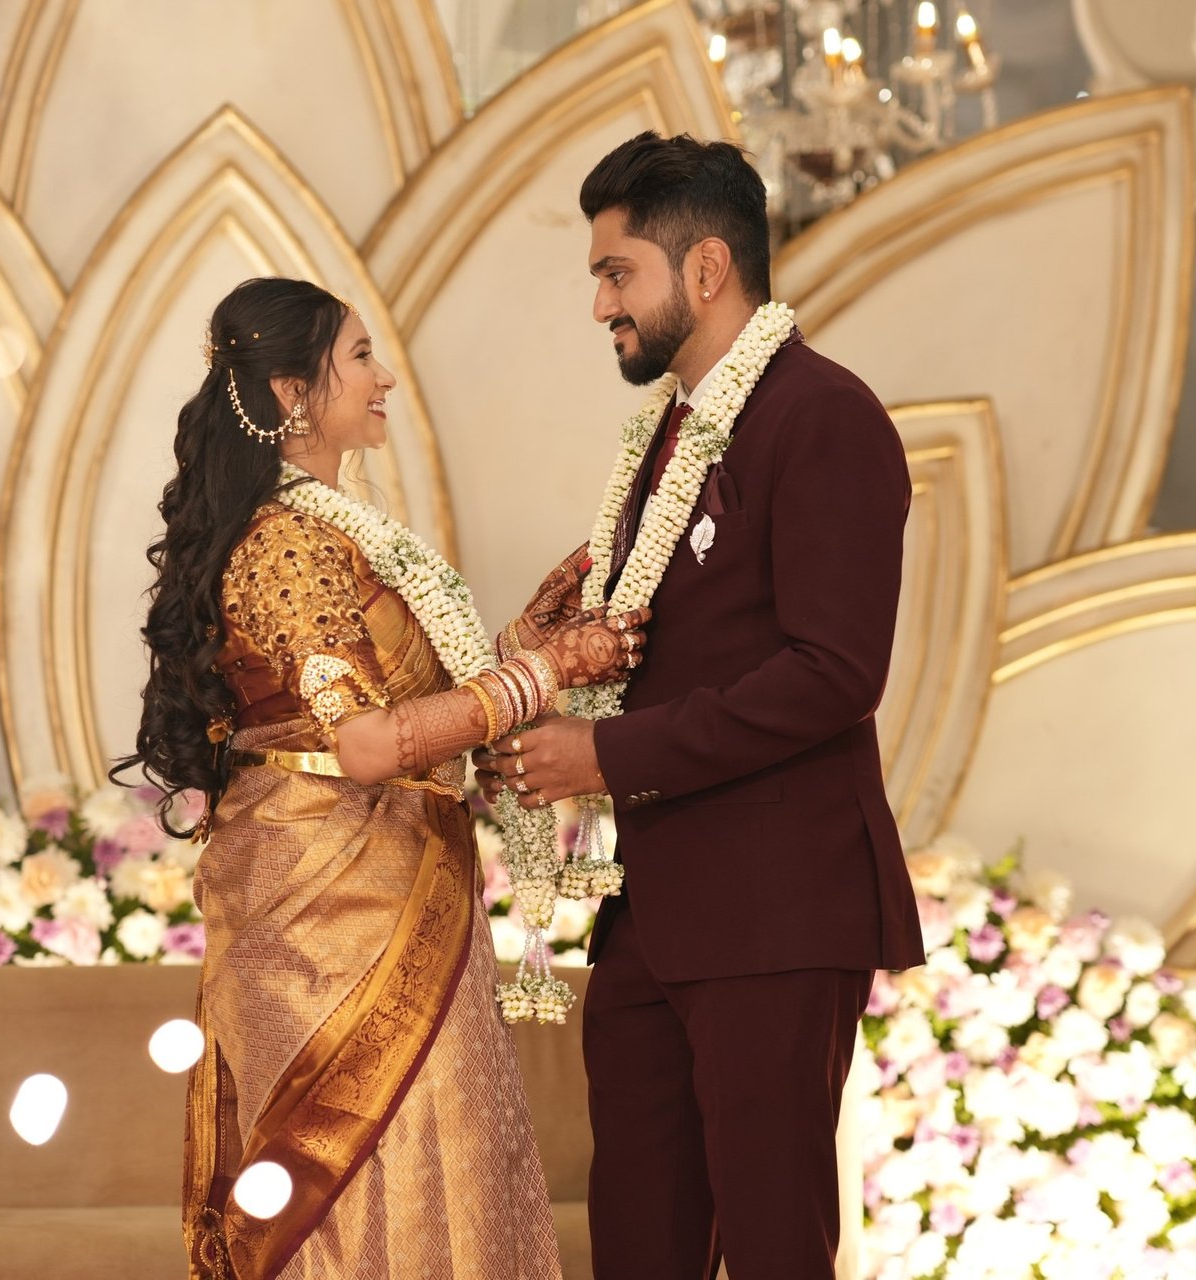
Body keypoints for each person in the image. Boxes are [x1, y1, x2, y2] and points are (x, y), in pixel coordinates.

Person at [116, 276, 648, 1279]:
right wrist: (541, 675)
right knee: (369, 1190)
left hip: (400, 891)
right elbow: (364, 744)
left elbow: (399, 705)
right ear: (292, 393)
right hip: (328, 925)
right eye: (360, 356)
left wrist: (517, 646)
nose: (384, 376)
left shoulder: (339, 528)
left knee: (444, 1170)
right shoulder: (284, 540)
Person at [475, 133, 928, 1280]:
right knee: (638, 1240)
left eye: (617, 273)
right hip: (656, 912)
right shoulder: (676, 432)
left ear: (707, 268)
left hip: (774, 910)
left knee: (775, 1246)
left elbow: (835, 671)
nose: (600, 305)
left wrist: (606, 752)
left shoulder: (821, 416)